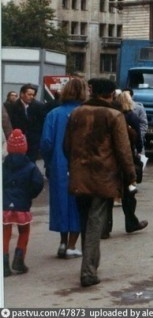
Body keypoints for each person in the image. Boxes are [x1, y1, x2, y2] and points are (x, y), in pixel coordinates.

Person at [63, 78, 137, 288]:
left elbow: (66, 146)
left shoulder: (77, 113)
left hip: (79, 175)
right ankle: (88, 271)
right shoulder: (114, 115)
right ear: (111, 94)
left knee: (86, 221)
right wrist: (130, 176)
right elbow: (123, 151)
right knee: (96, 222)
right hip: (103, 176)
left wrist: (76, 165)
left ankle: (91, 265)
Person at [40, 77, 87, 259]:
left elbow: (46, 142)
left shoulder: (53, 114)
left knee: (61, 203)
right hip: (81, 166)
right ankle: (72, 245)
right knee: (78, 205)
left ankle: (62, 242)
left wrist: (49, 161)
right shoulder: (85, 113)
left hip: (58, 165)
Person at [102, 91, 148, 237]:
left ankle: (105, 228)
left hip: (109, 160)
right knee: (129, 192)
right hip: (127, 160)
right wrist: (139, 151)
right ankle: (131, 222)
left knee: (108, 194)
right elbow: (138, 139)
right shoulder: (131, 116)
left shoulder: (109, 116)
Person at [3, 129, 45, 277]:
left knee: (5, 234)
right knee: (24, 232)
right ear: (24, 147)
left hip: (5, 204)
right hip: (22, 205)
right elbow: (38, 183)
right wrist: (29, 195)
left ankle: (4, 264)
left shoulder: (4, 165)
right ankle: (19, 260)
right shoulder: (30, 166)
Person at [7, 84, 47, 162]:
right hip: (18, 141)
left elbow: (42, 122)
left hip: (34, 141)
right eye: (29, 94)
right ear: (22, 94)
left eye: (33, 95)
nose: (32, 97)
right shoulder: (13, 107)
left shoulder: (39, 106)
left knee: (31, 162)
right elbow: (11, 123)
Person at [123, 88, 148, 155]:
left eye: (128, 96)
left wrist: (139, 136)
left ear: (132, 96)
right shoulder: (118, 109)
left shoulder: (139, 108)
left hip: (136, 141)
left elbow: (143, 124)